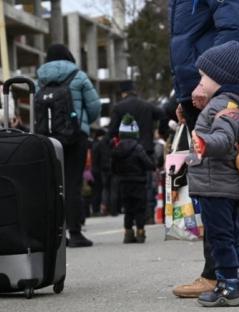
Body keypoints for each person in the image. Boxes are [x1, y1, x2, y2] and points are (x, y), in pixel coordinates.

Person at [169, 0, 239, 298]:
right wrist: (184, 95)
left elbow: (233, 32)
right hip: (204, 88)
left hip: (212, 90)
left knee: (214, 187)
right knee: (224, 186)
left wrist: (208, 86)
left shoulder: (215, 88)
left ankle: (216, 274)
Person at [188, 40, 239, 307]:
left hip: (217, 184)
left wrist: (204, 144)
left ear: (217, 78)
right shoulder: (225, 103)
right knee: (229, 235)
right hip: (221, 183)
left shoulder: (225, 107)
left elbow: (223, 137)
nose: (199, 82)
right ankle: (230, 280)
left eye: (203, 77)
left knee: (221, 237)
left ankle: (228, 286)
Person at [36, 44, 101, 247]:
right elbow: (95, 106)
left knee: (53, 185)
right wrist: (82, 124)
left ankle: (56, 235)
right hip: (75, 138)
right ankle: (76, 233)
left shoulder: (40, 79)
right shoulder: (79, 76)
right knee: (72, 185)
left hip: (48, 139)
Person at [108, 81, 164, 220]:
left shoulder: (119, 107)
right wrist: (162, 131)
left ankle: (130, 217)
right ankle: (148, 214)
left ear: (123, 93)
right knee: (147, 184)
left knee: (128, 186)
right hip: (146, 149)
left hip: (125, 152)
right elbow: (162, 113)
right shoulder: (147, 106)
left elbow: (112, 131)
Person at [111, 114, 155, 243]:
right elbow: (148, 164)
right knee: (139, 208)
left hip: (123, 183)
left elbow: (113, 168)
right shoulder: (138, 148)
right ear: (135, 133)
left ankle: (128, 233)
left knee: (128, 209)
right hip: (139, 183)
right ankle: (140, 232)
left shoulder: (117, 149)